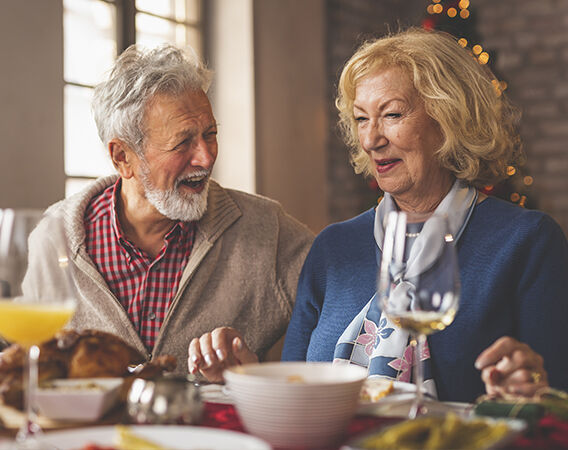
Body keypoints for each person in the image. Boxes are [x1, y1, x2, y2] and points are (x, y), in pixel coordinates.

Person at [281, 28, 568, 403]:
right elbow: (288, 386)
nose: (371, 140)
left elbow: (556, 395)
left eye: (392, 114)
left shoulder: (527, 240)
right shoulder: (333, 247)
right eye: (362, 119)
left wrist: (533, 386)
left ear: (448, 118)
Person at [22, 44, 314, 376]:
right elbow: (30, 369)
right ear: (122, 158)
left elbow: (351, 318)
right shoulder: (53, 238)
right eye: (182, 143)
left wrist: (254, 375)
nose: (205, 158)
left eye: (210, 134)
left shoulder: (268, 231)